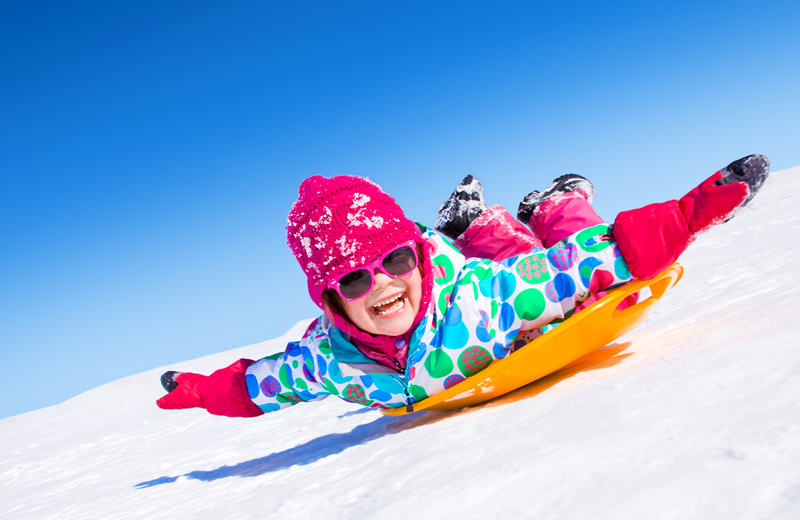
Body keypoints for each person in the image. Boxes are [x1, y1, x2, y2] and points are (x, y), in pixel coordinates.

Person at [156, 154, 770, 417]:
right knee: (510, 248)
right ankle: (476, 218)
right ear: (331, 299)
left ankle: (552, 202)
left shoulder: (490, 302)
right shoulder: (329, 359)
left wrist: (685, 217)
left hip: (479, 276)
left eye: (395, 261)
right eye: (354, 277)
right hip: (448, 264)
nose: (382, 285)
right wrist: (206, 390)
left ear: (417, 259)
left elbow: (583, 263)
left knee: (550, 248)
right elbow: (266, 383)